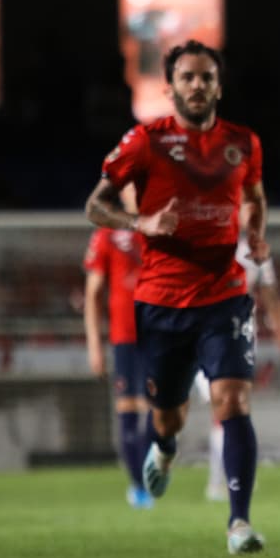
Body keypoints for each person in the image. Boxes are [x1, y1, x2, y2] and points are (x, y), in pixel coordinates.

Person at [85, 39, 270, 556]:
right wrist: (140, 221)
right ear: (170, 87)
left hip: (225, 295)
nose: (197, 85)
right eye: (187, 76)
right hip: (162, 303)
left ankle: (239, 523)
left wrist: (255, 232)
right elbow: (95, 206)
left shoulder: (243, 143)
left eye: (206, 77)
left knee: (233, 399)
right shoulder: (145, 142)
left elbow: (254, 198)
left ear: (218, 85)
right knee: (168, 414)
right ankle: (165, 446)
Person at [196, 222, 280, 502]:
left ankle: (226, 479)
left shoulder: (256, 250)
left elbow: (272, 298)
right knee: (223, 409)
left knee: (233, 409)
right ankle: (223, 480)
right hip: (207, 335)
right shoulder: (204, 242)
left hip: (242, 335)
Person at [83, 184, 152, 509]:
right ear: (120, 194)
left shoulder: (160, 227)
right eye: (129, 186)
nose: (135, 192)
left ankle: (151, 478)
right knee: (128, 409)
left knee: (161, 411)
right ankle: (140, 487)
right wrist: (95, 345)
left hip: (161, 333)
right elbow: (93, 293)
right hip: (125, 336)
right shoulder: (107, 235)